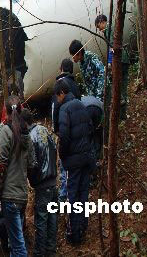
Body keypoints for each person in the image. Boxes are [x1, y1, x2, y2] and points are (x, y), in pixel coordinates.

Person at [0, 95, 35, 257]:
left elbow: (1, 164)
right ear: (21, 109)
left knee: (17, 245)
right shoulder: (26, 134)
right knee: (14, 242)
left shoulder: (6, 131)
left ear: (6, 111)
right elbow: (32, 164)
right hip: (22, 195)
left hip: (9, 196)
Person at [55, 79, 95, 245]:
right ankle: (83, 226)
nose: (57, 100)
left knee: (72, 195)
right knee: (83, 193)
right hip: (86, 157)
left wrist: (63, 156)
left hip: (73, 160)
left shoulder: (64, 109)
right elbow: (91, 129)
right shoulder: (81, 104)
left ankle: (74, 234)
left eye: (57, 96)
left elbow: (64, 136)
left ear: (61, 93)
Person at [23, 109, 58, 257]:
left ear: (24, 122)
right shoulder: (44, 130)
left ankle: (39, 253)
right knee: (52, 218)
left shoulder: (31, 137)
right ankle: (51, 250)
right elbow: (54, 149)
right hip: (53, 181)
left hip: (42, 184)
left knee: (42, 221)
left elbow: (32, 164)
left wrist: (32, 180)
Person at [51, 58, 80, 202]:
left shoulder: (59, 86)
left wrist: (55, 128)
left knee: (64, 164)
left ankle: (63, 196)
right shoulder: (75, 84)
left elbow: (55, 108)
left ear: (61, 68)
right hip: (77, 130)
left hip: (64, 129)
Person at [95, 14, 130, 118]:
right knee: (123, 86)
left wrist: (110, 62)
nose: (99, 30)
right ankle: (123, 115)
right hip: (125, 60)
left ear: (102, 22)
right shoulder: (114, 27)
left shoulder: (109, 29)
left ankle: (120, 104)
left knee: (113, 82)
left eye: (99, 27)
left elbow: (112, 47)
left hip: (119, 60)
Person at [81, 95, 104, 162]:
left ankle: (87, 157)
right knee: (96, 133)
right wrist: (100, 123)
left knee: (87, 134)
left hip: (87, 110)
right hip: (98, 110)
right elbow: (103, 112)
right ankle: (96, 157)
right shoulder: (96, 100)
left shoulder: (81, 99)